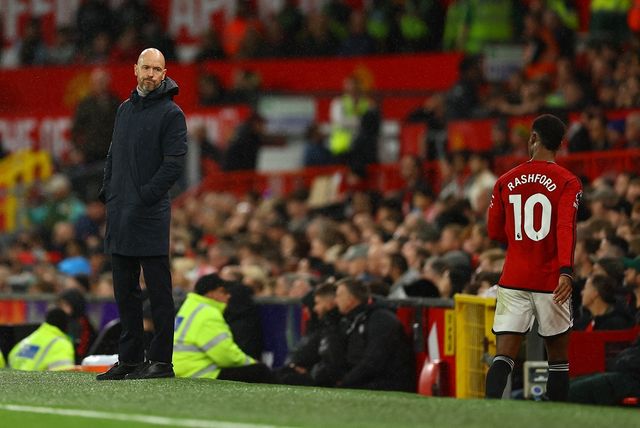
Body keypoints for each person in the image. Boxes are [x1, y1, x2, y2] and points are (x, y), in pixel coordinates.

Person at [96, 48, 187, 381]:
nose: (151, 74)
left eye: (157, 69)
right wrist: (109, 192)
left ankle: (161, 361)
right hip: (120, 213)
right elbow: (112, 154)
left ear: (165, 73)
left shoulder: (172, 113)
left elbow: (174, 164)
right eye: (146, 67)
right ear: (135, 69)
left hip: (149, 215)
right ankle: (130, 359)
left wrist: (144, 197)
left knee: (159, 292)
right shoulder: (124, 109)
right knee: (124, 291)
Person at [485, 114, 583, 401]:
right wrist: (566, 270)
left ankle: (485, 414)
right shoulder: (568, 181)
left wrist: (519, 240)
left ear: (533, 138)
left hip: (514, 276)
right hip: (551, 278)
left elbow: (494, 231)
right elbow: (565, 227)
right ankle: (557, 418)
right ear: (561, 145)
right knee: (558, 359)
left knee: (503, 356)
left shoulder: (504, 180)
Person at [173, 274, 274, 383]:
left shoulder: (190, 307)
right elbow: (225, 355)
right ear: (211, 293)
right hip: (199, 373)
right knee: (260, 371)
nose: (228, 296)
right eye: (223, 291)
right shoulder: (208, 313)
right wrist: (251, 362)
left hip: (181, 369)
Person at [335, 277, 416, 392]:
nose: (335, 300)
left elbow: (374, 360)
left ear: (351, 299)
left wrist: (345, 382)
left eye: (339, 295)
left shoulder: (381, 319)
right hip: (368, 380)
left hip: (387, 384)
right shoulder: (354, 319)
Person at [278, 281, 346, 387]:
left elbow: (332, 359)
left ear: (330, 303)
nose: (315, 308)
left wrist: (310, 371)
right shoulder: (325, 325)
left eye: (318, 303)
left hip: (325, 378)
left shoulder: (335, 326)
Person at [8, 308, 75, 371]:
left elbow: (11, 358)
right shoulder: (62, 345)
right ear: (65, 324)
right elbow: (63, 378)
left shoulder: (27, 341)